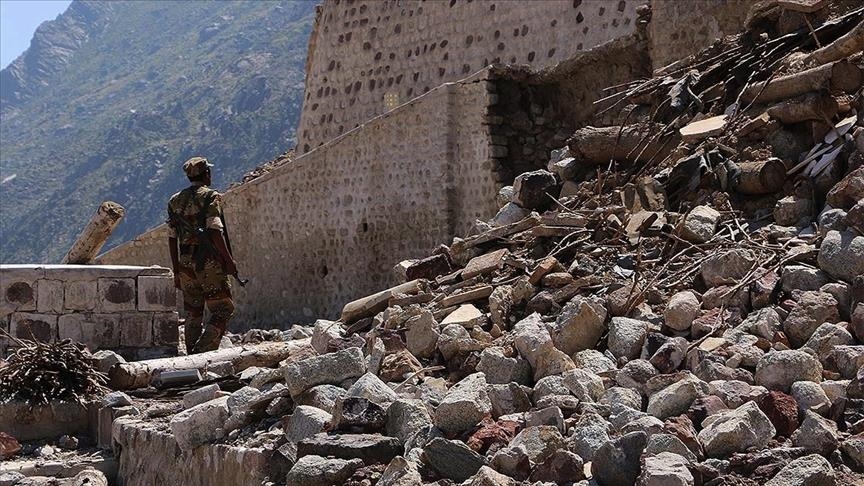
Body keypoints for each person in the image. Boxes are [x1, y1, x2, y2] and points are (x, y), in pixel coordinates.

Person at [166, 157, 237, 354]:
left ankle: (191, 354)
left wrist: (177, 271)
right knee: (224, 309)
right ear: (206, 174)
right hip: (208, 263)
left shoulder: (174, 201)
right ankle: (203, 351)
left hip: (185, 263)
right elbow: (214, 231)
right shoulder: (210, 196)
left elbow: (171, 237)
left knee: (193, 311)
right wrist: (228, 260)